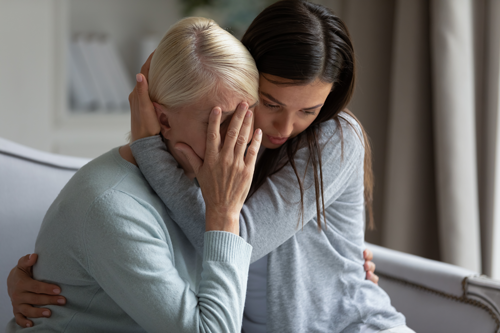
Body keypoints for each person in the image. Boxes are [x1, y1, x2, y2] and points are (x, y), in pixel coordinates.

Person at [7, 1, 382, 332]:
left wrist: (149, 147)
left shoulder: (331, 137)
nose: (284, 128)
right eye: (269, 103)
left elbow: (233, 238)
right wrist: (54, 276)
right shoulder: (207, 152)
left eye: (308, 110)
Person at [5, 17, 262, 332]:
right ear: (162, 120)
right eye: (222, 123)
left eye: (247, 117)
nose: (242, 138)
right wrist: (223, 213)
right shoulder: (110, 206)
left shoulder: (206, 177)